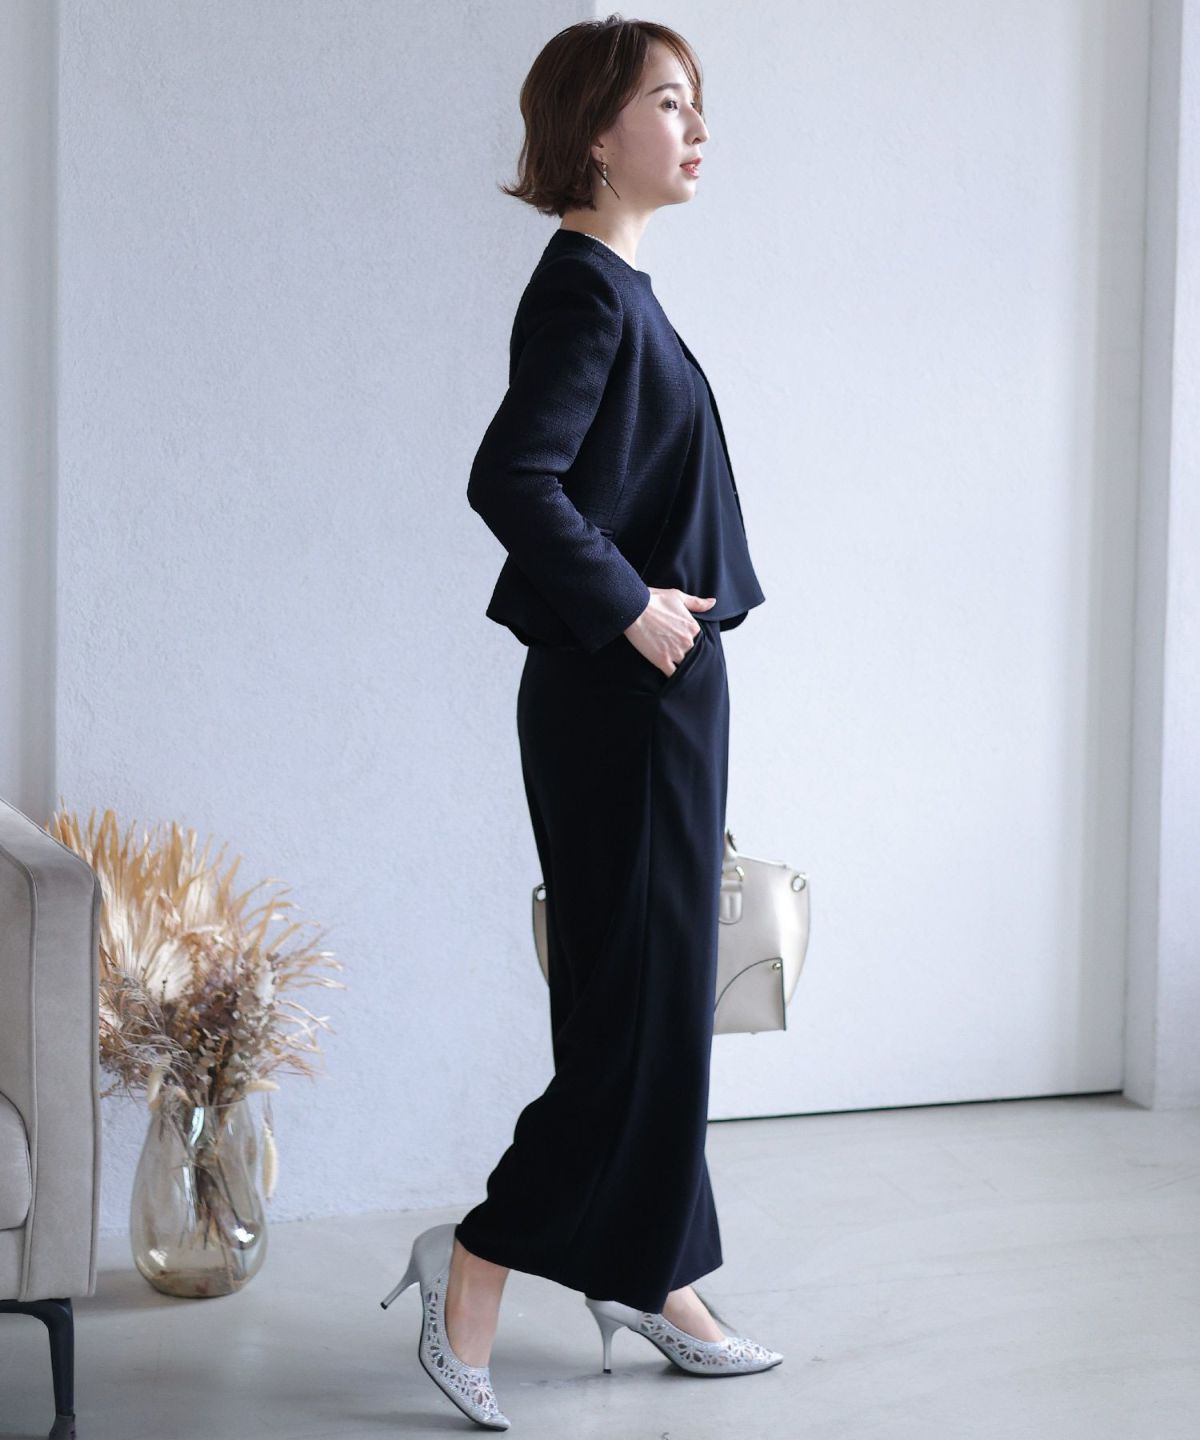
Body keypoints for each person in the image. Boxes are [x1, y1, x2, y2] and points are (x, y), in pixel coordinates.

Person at [380, 17, 779, 1429]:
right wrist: (630, 608)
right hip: (625, 699)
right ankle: (476, 1261)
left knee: (661, 1006)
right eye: (670, 103)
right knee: (631, 1018)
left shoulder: (619, 287)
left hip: (655, 699)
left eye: (696, 102)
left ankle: (651, 1273)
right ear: (599, 133)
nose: (697, 128)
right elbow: (513, 476)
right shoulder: (588, 294)